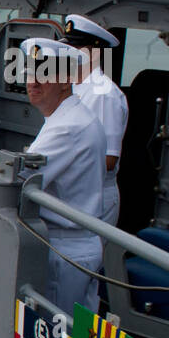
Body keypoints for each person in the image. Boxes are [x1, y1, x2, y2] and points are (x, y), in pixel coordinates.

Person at [0, 38, 106, 312]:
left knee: (56, 336)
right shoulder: (70, 117)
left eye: (44, 73)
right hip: (72, 245)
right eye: (30, 72)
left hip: (66, 251)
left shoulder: (68, 127)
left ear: (65, 81)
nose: (33, 81)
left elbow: (17, 179)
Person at [64, 14, 127, 225]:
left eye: (76, 48)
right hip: (73, 191)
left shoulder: (103, 94)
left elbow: (108, 160)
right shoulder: (74, 86)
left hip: (92, 197)